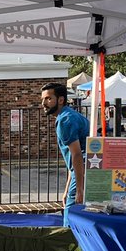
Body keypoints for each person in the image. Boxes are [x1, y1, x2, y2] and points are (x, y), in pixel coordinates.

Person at [40, 82, 88, 219]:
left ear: (61, 100)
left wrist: (79, 189)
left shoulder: (65, 120)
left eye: (48, 98)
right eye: (43, 99)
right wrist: (67, 189)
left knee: (70, 217)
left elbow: (77, 154)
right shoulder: (70, 115)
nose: (44, 103)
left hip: (83, 173)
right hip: (83, 171)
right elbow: (74, 160)